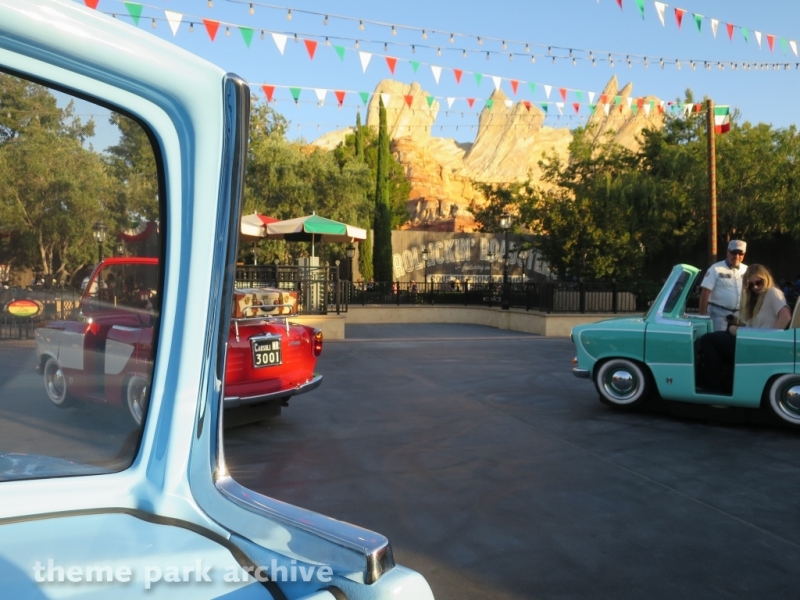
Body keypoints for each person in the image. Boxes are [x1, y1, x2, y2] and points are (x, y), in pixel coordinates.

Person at [698, 264, 791, 392]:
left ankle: (714, 384)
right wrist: (734, 327)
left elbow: (785, 316)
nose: (756, 287)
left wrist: (772, 340)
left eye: (759, 282)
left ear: (766, 278)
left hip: (759, 344)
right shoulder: (757, 297)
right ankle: (723, 384)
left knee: (707, 340)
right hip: (751, 340)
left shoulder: (772, 292)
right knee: (717, 338)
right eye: (751, 285)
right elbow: (751, 322)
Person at [699, 240, 748, 332]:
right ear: (728, 252)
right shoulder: (715, 268)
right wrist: (702, 315)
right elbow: (705, 292)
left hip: (739, 315)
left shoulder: (747, 269)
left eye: (740, 253)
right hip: (719, 314)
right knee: (718, 341)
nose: (737, 256)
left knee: (737, 343)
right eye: (734, 253)